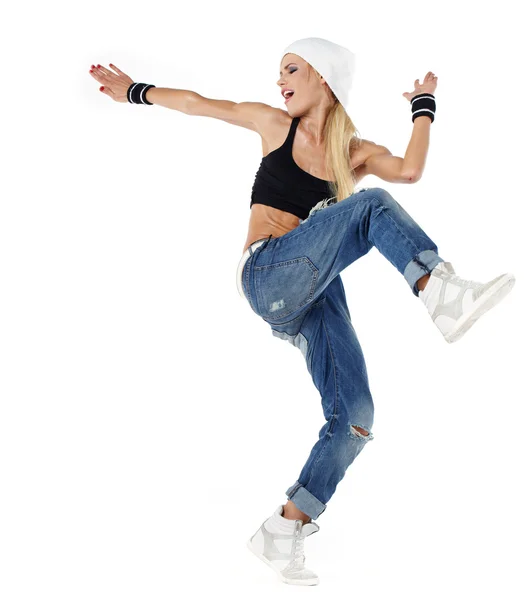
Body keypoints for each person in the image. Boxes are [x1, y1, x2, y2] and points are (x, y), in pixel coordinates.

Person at [88, 37, 516, 586]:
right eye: (280, 72)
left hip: (313, 292)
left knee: (356, 415)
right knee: (368, 208)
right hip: (267, 273)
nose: (280, 80)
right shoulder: (274, 125)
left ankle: (284, 530)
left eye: (291, 69)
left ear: (324, 79)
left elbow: (409, 171)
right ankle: (440, 292)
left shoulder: (354, 154)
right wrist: (135, 92)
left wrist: (423, 107)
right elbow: (200, 103)